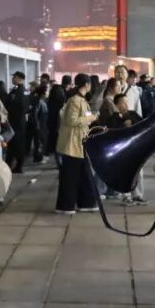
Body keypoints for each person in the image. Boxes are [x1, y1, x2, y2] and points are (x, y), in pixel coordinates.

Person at [55, 73, 100, 214]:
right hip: (73, 144)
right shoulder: (75, 100)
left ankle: (85, 203)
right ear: (86, 84)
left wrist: (92, 117)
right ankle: (67, 206)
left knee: (83, 175)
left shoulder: (81, 100)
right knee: (71, 176)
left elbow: (82, 117)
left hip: (79, 144)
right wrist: (90, 118)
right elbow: (71, 120)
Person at [111, 93, 146, 205]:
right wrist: (123, 126)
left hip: (135, 148)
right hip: (122, 150)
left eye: (126, 102)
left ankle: (138, 195)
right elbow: (113, 132)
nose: (125, 104)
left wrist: (133, 124)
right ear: (117, 105)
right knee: (126, 173)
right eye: (122, 102)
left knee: (139, 173)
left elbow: (143, 126)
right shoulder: (114, 117)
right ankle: (126, 196)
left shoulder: (133, 114)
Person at [6, 71, 29, 173]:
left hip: (18, 122)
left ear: (20, 78)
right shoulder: (17, 90)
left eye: (14, 77)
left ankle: (18, 166)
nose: (12, 79)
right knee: (13, 144)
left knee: (18, 144)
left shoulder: (21, 91)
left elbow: (21, 107)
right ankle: (11, 164)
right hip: (16, 121)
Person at [47, 75, 69, 160]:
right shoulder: (61, 92)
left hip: (52, 118)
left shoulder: (57, 90)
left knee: (54, 137)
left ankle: (53, 152)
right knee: (58, 138)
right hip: (58, 119)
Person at [30, 84, 50, 163]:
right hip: (39, 124)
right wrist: (37, 125)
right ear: (43, 93)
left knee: (40, 141)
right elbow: (35, 114)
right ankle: (38, 158)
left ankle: (39, 157)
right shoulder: (38, 101)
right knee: (39, 142)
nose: (48, 93)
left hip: (42, 124)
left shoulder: (41, 100)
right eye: (47, 91)